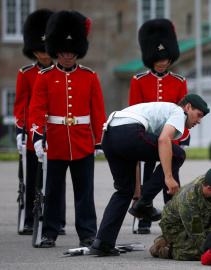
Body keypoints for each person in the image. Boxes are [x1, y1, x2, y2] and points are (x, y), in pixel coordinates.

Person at [90, 94, 210, 256]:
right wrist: (168, 177)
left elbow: (139, 155)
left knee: (124, 190)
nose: (199, 121)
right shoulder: (177, 112)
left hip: (109, 136)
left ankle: (102, 242)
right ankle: (144, 204)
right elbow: (163, 140)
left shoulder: (160, 111)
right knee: (178, 155)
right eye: (199, 115)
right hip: (128, 132)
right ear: (188, 107)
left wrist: (136, 195)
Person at [28, 10, 106, 248]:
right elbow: (37, 109)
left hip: (82, 141)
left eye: (73, 50)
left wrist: (100, 140)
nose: (69, 54)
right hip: (55, 140)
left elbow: (97, 111)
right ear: (57, 50)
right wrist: (38, 136)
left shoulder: (89, 76)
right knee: (52, 191)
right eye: (64, 50)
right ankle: (50, 231)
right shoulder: (45, 77)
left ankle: (87, 233)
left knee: (85, 193)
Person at [129, 18, 189, 234]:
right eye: (158, 57)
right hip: (146, 137)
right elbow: (134, 111)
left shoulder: (179, 81)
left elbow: (185, 112)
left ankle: (171, 222)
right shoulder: (139, 80)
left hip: (170, 138)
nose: (162, 61)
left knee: (171, 182)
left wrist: (185, 136)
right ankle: (143, 219)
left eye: (166, 57)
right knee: (147, 178)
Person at [13, 9, 65, 236]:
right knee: (32, 178)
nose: (44, 55)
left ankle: (58, 219)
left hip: (55, 133)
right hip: (33, 134)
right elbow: (21, 106)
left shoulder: (61, 74)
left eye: (47, 50)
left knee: (56, 181)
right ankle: (29, 218)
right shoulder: (25, 74)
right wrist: (20, 131)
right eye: (39, 50)